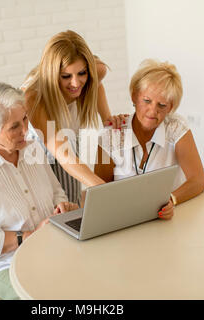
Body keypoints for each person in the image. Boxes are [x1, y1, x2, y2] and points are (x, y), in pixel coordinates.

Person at [0, 81, 78, 300]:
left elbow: (57, 193)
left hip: (46, 249)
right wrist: (28, 237)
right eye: (14, 127)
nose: (25, 130)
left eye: (25, 119)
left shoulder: (31, 148)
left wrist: (61, 207)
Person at [23, 30, 127, 206]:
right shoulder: (33, 96)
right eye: (66, 76)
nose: (76, 83)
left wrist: (107, 119)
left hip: (68, 146)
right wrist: (104, 189)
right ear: (52, 73)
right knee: (52, 212)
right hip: (39, 158)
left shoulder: (97, 70)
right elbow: (63, 155)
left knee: (73, 205)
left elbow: (96, 84)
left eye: (82, 73)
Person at [94, 59, 204, 220]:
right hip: (125, 221)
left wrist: (172, 200)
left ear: (171, 107)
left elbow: (198, 180)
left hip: (170, 222)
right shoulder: (110, 136)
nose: (152, 111)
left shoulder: (175, 127)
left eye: (161, 105)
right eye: (146, 101)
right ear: (134, 96)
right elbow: (99, 194)